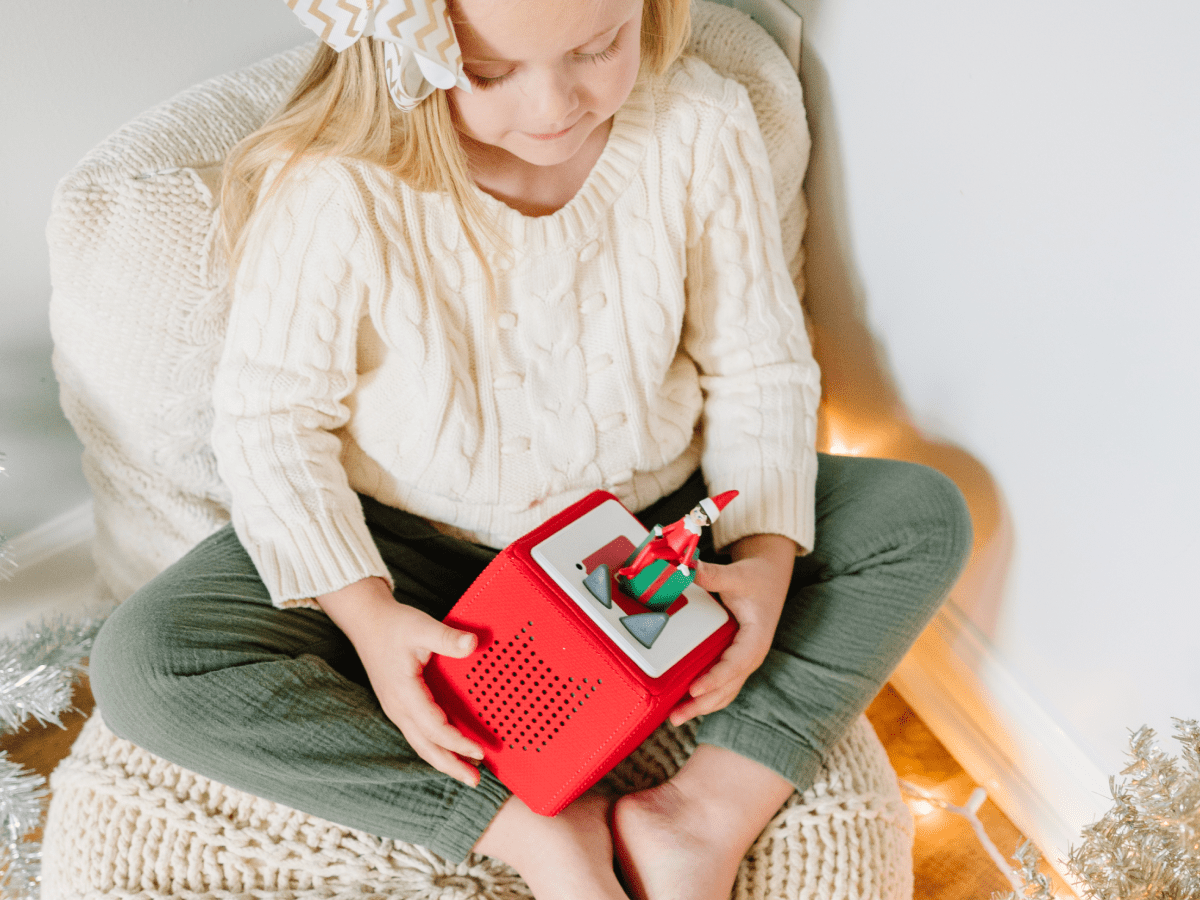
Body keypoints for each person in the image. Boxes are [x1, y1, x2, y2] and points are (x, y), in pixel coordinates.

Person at [89, 0, 972, 898]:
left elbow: (758, 366)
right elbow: (270, 424)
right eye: (489, 72)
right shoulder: (335, 184)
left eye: (598, 47)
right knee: (148, 664)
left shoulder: (698, 122)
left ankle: (704, 813)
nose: (555, 107)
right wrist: (366, 615)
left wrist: (767, 561)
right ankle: (533, 828)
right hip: (417, 554)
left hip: (644, 543)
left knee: (919, 518)